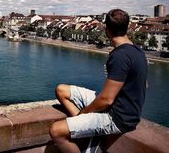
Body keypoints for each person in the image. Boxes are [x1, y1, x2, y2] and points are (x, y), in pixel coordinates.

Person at [49, 9, 148, 153]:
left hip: (117, 117)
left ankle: (82, 128)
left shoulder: (120, 56)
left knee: (56, 131)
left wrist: (84, 114)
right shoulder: (138, 51)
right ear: (127, 27)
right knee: (62, 90)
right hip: (123, 109)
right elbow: (145, 85)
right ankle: (83, 130)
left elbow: (106, 99)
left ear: (106, 29)